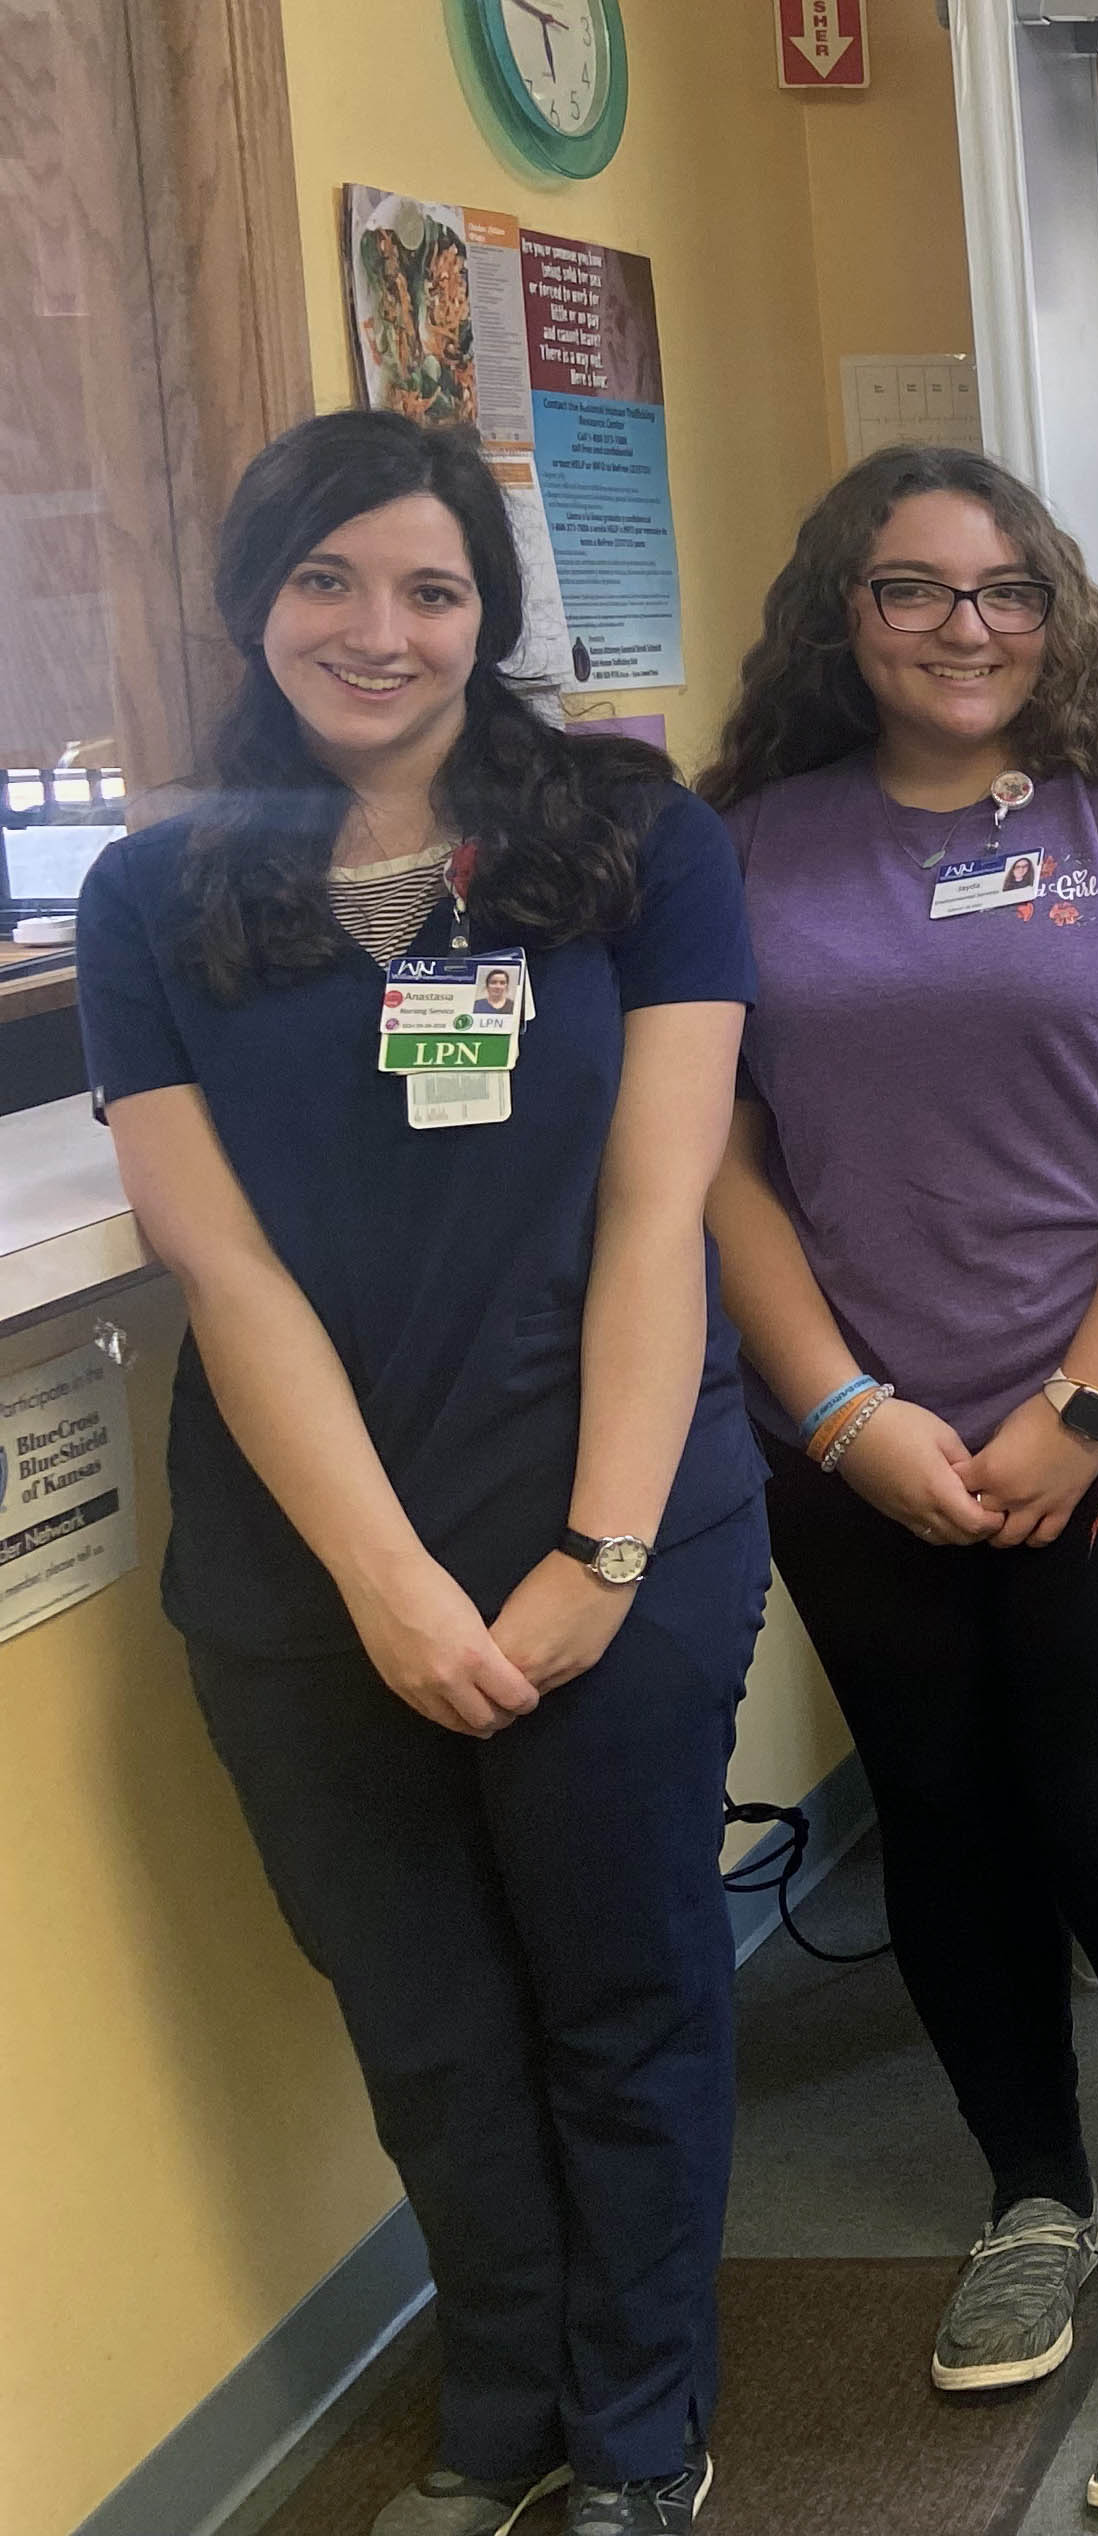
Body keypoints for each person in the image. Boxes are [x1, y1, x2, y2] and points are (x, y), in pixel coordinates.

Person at [81, 411, 762, 2536]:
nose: (380, 632)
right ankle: (498, 2411)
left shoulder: (637, 845)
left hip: (613, 1503)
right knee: (427, 2014)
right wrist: (383, 1583)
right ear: (253, 602)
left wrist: (602, 1547)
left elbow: (664, 1212)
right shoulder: (155, 893)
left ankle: (644, 2430)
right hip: (305, 1568)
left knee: (626, 1989)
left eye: (433, 587)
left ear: (491, 613)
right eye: (328, 581)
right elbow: (226, 1265)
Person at [700, 448, 1098, 2508]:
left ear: (1056, 612)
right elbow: (716, 1153)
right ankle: (1035, 2196)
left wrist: (1075, 1402)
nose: (966, 627)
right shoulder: (744, 845)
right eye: (913, 589)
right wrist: (843, 1412)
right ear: (840, 617)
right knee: (946, 1830)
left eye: (1005, 589)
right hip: (851, 1435)